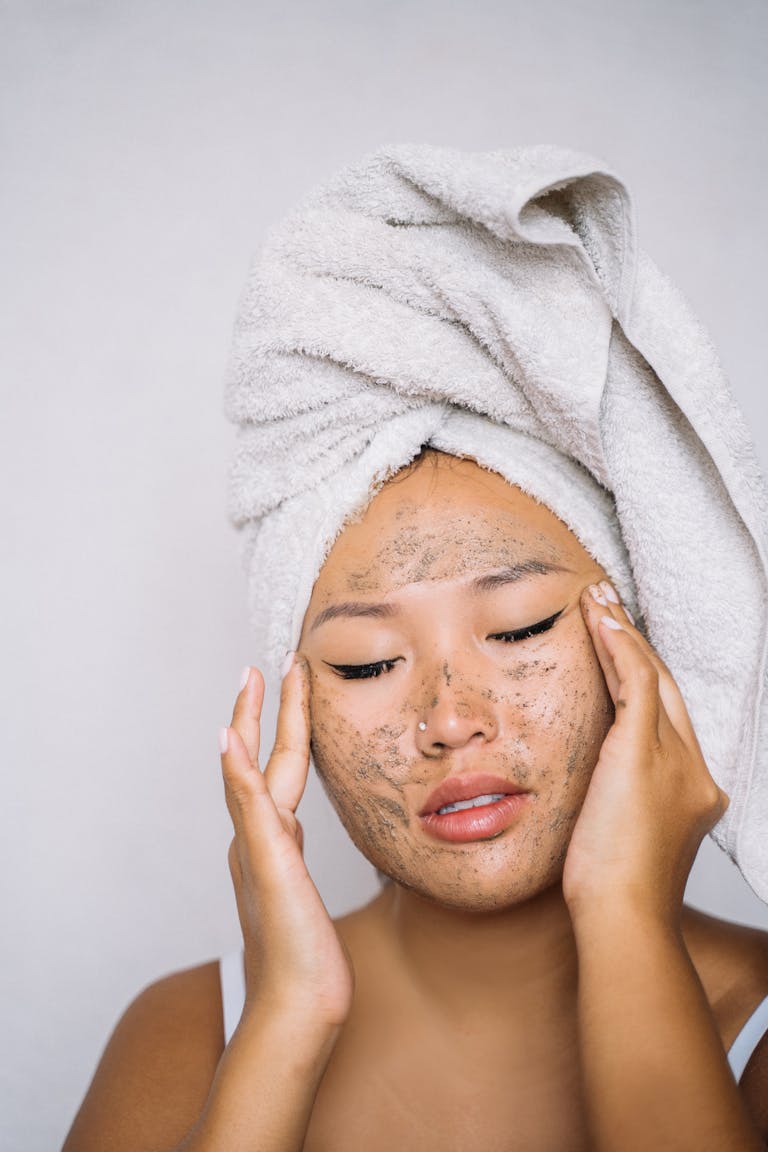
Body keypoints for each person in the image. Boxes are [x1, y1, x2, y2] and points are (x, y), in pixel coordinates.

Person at [62, 143, 768, 1150]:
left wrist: (626, 916)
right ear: (300, 701)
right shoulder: (190, 1036)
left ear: (641, 642)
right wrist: (286, 1022)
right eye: (366, 662)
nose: (450, 719)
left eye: (520, 628)